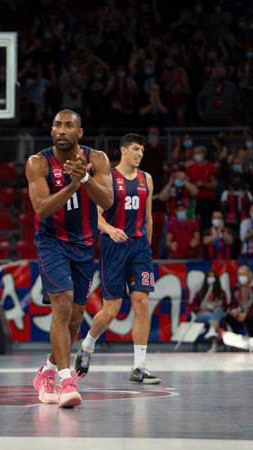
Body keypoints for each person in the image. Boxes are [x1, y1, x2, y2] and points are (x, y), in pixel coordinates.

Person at [26, 109, 112, 408]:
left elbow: (107, 201)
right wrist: (72, 186)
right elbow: (41, 208)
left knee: (75, 319)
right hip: (51, 242)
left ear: (79, 132)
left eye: (67, 126)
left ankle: (47, 371)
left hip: (84, 244)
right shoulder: (38, 163)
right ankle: (66, 380)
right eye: (56, 125)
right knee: (61, 306)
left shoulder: (97, 159)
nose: (61, 130)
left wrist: (85, 177)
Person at [74, 133, 161, 384]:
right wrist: (110, 230)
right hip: (114, 247)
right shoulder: (109, 178)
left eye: (142, 150)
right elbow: (96, 217)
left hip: (139, 248)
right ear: (123, 150)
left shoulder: (147, 179)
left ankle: (139, 366)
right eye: (135, 149)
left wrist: (147, 247)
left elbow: (148, 217)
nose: (139, 154)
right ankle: (88, 344)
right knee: (111, 310)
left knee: (142, 302)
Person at [192, 270, 226, 352]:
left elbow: (224, 307)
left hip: (216, 313)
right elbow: (193, 306)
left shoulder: (221, 293)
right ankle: (214, 342)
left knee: (218, 311)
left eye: (213, 276)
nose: (211, 278)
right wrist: (202, 309)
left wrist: (215, 308)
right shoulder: (200, 293)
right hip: (203, 315)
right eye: (209, 276)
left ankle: (212, 329)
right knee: (214, 319)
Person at [223, 265, 253, 338]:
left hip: (249, 315)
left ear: (248, 275)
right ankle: (235, 337)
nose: (241, 277)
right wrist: (234, 310)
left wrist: (246, 314)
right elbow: (232, 304)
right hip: (238, 314)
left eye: (243, 274)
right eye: (239, 274)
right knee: (228, 317)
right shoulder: (236, 289)